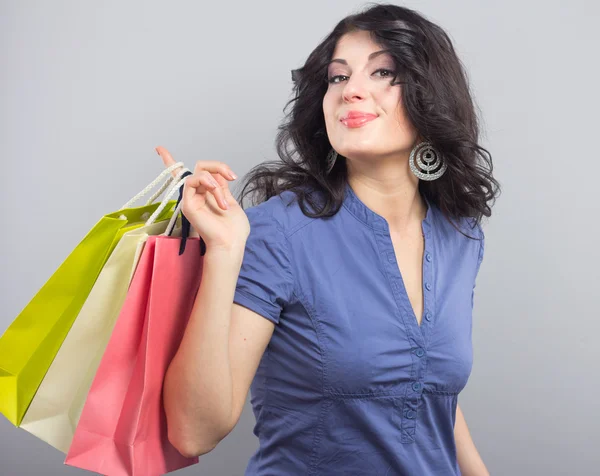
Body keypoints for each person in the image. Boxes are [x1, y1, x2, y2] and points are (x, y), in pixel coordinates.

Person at [159, 3, 500, 475]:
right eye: (338, 78)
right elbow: (195, 431)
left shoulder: (460, 236)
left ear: (432, 96)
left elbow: (426, 394)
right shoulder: (276, 234)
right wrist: (222, 251)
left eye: (383, 72)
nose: (352, 90)